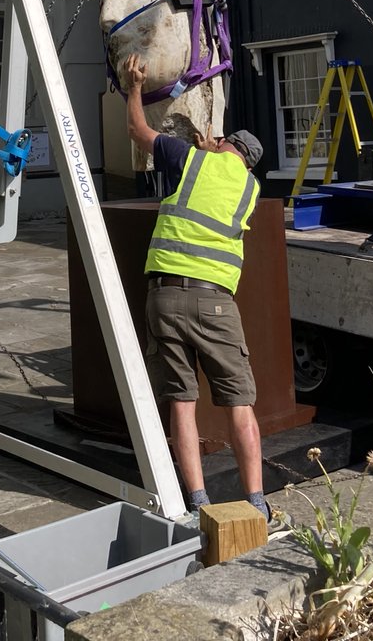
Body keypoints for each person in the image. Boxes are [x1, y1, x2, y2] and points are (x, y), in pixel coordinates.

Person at [122, 52, 276, 528]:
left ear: (223, 142)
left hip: (164, 296)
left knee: (182, 404)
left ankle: (195, 501)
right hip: (214, 301)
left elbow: (138, 132)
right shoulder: (249, 190)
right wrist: (215, 150)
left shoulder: (187, 160)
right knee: (239, 405)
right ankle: (256, 502)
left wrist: (133, 85)